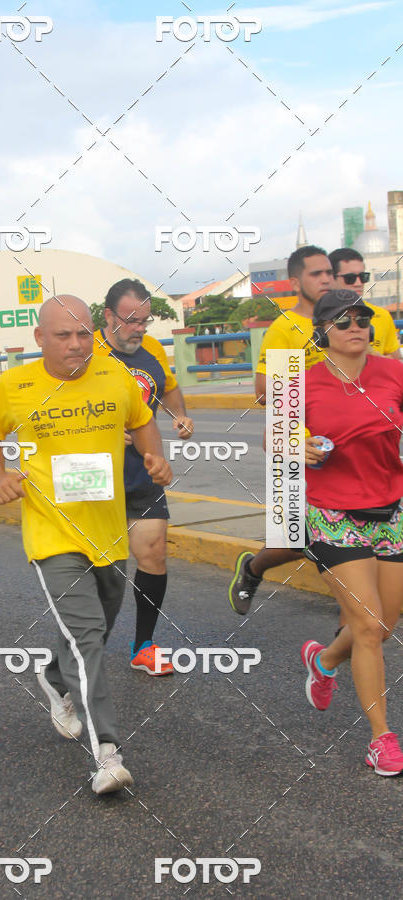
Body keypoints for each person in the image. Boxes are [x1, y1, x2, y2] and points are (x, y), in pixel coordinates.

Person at [0, 295, 172, 794]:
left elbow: (141, 419)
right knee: (87, 638)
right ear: (40, 338)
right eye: (63, 335)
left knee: (99, 627)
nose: (76, 344)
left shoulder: (113, 375)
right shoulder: (15, 385)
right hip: (51, 532)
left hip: (107, 531)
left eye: (84, 333)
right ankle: (108, 753)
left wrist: (154, 456)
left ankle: (54, 678)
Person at [229, 245, 402, 615]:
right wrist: (306, 401)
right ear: (296, 282)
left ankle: (357, 630)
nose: (328, 279)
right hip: (306, 449)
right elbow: (267, 395)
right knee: (295, 539)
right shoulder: (285, 330)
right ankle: (253, 569)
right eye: (317, 274)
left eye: (332, 274)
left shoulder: (372, 318)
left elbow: (392, 370)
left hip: (370, 453)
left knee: (364, 591)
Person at [302, 288, 403, 775]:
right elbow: (274, 440)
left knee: (382, 627)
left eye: (362, 318)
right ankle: (381, 739)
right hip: (331, 513)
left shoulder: (394, 372)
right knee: (366, 625)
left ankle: (324, 661)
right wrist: (295, 447)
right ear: (322, 332)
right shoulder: (300, 383)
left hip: (390, 509)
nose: (355, 327)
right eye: (342, 321)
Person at [93, 278, 194, 675]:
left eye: (144, 321)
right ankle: (83, 646)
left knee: (153, 553)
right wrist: (100, 427)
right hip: (93, 474)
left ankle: (143, 646)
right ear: (108, 315)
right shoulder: (87, 350)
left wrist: (179, 415)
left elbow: (168, 388)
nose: (138, 329)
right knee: (98, 567)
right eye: (131, 320)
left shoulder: (152, 349)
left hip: (144, 468)